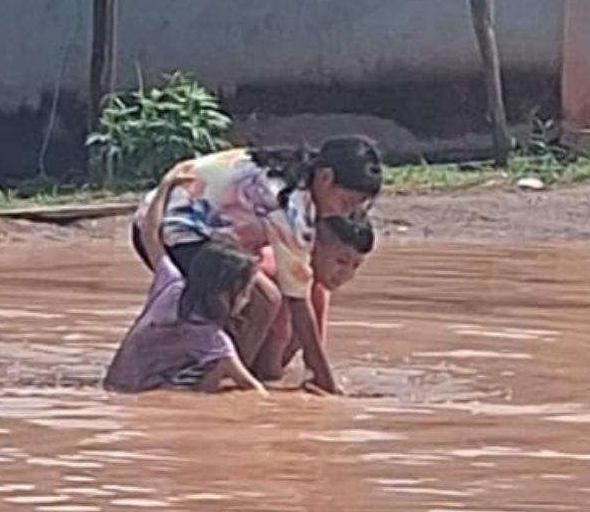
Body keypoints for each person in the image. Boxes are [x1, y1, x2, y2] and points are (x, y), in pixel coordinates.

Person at [128, 136, 383, 395]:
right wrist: (324, 379)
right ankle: (231, 384)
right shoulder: (288, 203)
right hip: (175, 229)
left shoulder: (288, 169)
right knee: (264, 299)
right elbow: (296, 298)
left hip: (178, 224)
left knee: (244, 301)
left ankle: (219, 372)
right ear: (326, 178)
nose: (345, 214)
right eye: (346, 203)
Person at [104, 163, 268, 395]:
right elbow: (255, 389)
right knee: (217, 369)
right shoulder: (211, 338)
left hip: (116, 381)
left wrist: (166, 186)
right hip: (148, 390)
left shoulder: (171, 283)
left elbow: (149, 234)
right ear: (223, 294)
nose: (248, 300)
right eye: (244, 293)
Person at [249, 213, 375, 384]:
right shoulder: (280, 270)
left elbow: (315, 351)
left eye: (356, 265)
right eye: (341, 261)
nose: (347, 274)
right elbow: (269, 370)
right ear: (313, 246)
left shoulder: (319, 290)